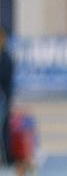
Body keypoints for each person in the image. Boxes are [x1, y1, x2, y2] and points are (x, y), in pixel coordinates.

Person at [0, 27, 14, 169]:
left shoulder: (7, 58)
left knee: (4, 130)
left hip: (3, 100)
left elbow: (6, 80)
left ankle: (7, 158)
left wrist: (8, 100)